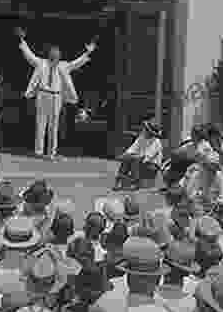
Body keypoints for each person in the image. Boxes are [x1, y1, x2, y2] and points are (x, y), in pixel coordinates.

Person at [18, 27, 97, 161]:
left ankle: (52, 153)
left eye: (57, 53)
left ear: (59, 56)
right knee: (40, 124)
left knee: (54, 126)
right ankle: (38, 152)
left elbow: (76, 63)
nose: (55, 55)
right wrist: (22, 40)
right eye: (53, 53)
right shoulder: (41, 63)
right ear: (49, 54)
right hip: (43, 95)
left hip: (56, 96)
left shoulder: (63, 66)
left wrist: (88, 52)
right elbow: (29, 54)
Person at [114, 120, 163, 191]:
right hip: (140, 160)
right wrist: (124, 156)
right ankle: (120, 180)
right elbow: (131, 150)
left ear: (150, 132)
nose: (143, 130)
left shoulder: (156, 142)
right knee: (127, 160)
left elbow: (147, 157)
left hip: (152, 165)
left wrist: (132, 156)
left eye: (145, 129)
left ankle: (135, 183)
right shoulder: (141, 138)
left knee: (135, 160)